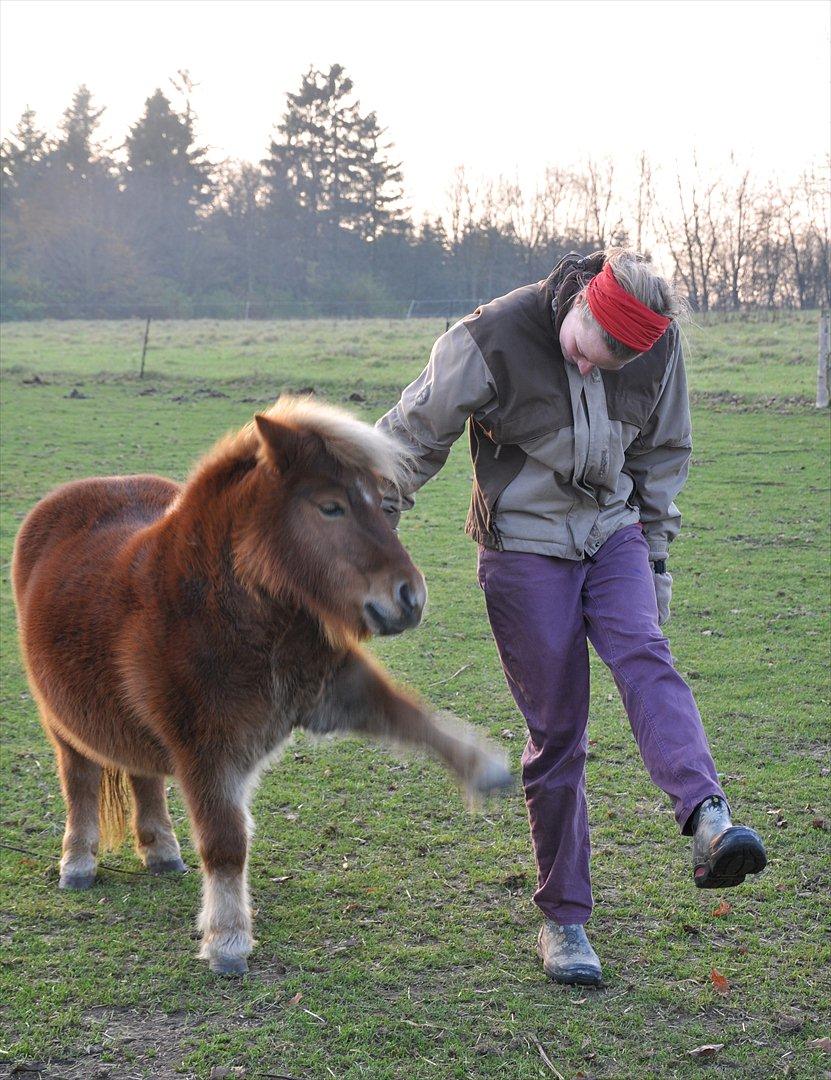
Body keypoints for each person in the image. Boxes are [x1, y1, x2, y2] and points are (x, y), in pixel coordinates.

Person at [375, 249, 767, 988]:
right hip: (524, 550)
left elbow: (660, 453)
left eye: (616, 360)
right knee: (558, 735)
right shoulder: (488, 337)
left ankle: (708, 819)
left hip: (613, 533)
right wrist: (358, 524)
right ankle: (564, 919)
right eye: (592, 348)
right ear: (582, 301)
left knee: (645, 652)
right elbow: (407, 438)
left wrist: (654, 563)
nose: (595, 368)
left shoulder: (657, 346)